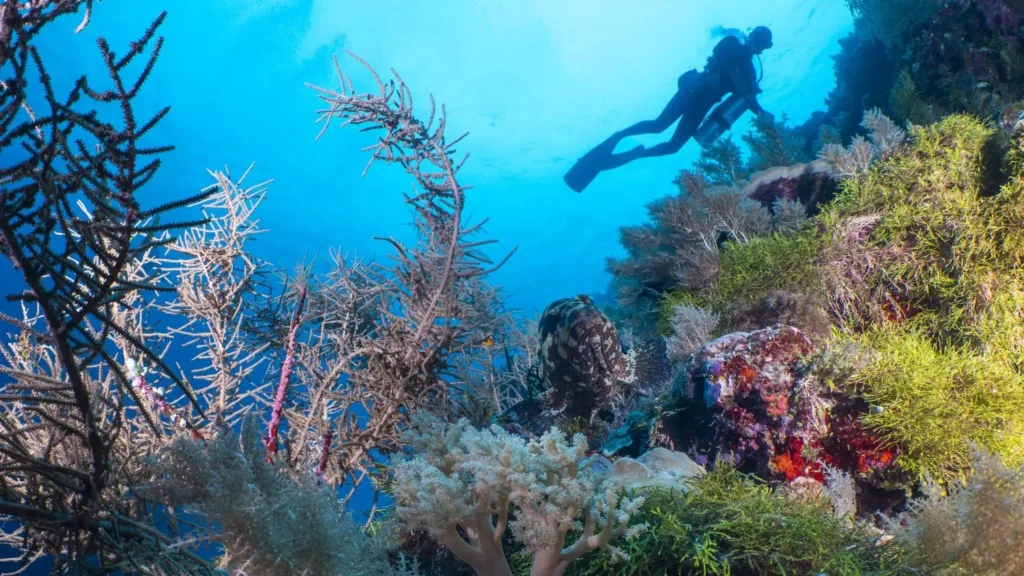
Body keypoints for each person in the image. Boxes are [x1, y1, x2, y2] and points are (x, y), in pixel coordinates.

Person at [564, 26, 775, 192]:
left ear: (764, 48)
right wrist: (735, 78)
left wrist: (763, 115)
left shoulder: (750, 71)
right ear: (751, 36)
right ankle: (620, 136)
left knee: (672, 145)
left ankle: (634, 154)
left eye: (763, 44)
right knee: (658, 126)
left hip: (700, 105)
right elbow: (718, 59)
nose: (757, 45)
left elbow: (749, 100)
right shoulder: (733, 44)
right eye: (757, 39)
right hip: (692, 91)